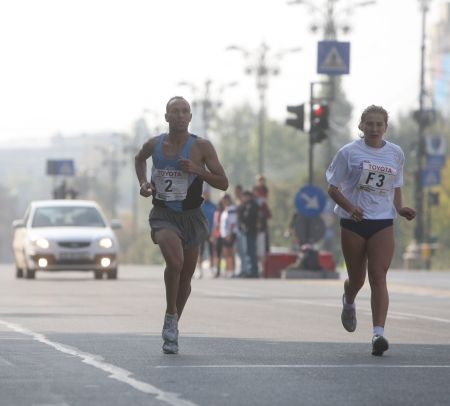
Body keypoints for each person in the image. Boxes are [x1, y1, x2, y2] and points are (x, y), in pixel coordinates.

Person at [134, 96, 228, 354]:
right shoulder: (154, 145)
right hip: (163, 215)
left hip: (192, 216)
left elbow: (223, 183)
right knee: (174, 263)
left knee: (185, 277)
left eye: (184, 111)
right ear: (166, 117)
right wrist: (143, 183)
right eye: (174, 111)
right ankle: (170, 313)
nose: (180, 115)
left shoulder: (202, 146)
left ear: (190, 117)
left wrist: (198, 170)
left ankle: (172, 322)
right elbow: (139, 159)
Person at [326, 105, 416, 356]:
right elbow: (332, 188)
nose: (374, 129)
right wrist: (350, 207)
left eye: (379, 124)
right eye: (370, 124)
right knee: (358, 279)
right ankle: (349, 299)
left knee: (378, 276)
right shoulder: (348, 153)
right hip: (353, 222)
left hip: (382, 221)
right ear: (361, 126)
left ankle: (378, 334)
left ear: (386, 128)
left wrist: (399, 208)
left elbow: (395, 185)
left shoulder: (395, 153)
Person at [196, 188, 217, 278]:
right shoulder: (199, 206)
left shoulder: (214, 206)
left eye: (208, 194)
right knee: (200, 251)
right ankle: (199, 270)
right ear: (202, 195)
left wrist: (214, 232)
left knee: (212, 252)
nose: (207, 195)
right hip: (201, 232)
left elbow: (216, 220)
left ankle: (212, 269)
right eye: (205, 194)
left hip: (211, 232)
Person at [238, 190, 260, 278]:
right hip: (245, 231)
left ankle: (253, 271)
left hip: (251, 231)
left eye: (246, 196)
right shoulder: (244, 206)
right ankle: (248, 270)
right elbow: (241, 217)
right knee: (246, 252)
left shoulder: (254, 206)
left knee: (251, 252)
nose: (245, 198)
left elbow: (255, 219)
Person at [218, 193, 238, 277]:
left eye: (225, 199)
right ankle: (228, 270)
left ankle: (232, 271)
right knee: (226, 253)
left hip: (230, 234)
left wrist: (229, 234)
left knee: (230, 253)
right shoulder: (224, 210)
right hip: (224, 234)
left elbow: (233, 222)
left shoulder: (232, 209)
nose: (224, 201)